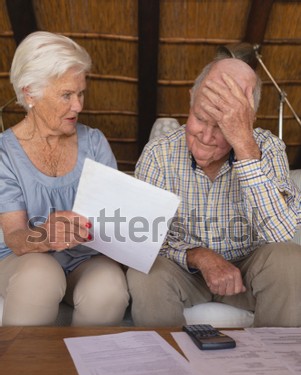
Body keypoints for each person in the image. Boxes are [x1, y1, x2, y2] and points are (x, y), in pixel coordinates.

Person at [127, 57, 301, 328]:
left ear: (247, 119)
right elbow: (142, 240)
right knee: (145, 273)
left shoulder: (268, 148)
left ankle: (272, 368)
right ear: (190, 100)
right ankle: (164, 367)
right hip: (186, 272)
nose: (206, 136)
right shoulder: (159, 154)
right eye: (199, 118)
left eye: (221, 126)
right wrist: (199, 256)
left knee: (289, 259)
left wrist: (244, 145)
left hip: (248, 273)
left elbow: (281, 233)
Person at [0, 31, 129, 326]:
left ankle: (84, 371)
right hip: (22, 259)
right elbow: (16, 237)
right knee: (41, 276)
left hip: (83, 259)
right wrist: (47, 235)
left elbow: (115, 217)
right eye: (66, 95)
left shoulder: (94, 142)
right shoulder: (4, 153)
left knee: (108, 286)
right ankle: (24, 371)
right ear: (30, 93)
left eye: (80, 93)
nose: (78, 106)